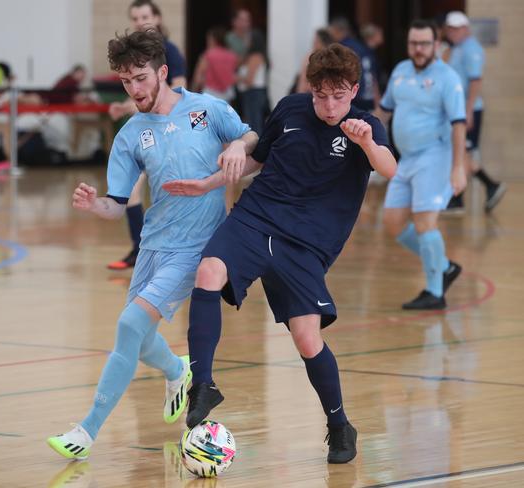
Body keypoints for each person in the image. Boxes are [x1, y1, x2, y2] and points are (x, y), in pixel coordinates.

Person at [163, 43, 397, 464]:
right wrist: (209, 183)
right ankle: (203, 384)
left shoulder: (366, 125)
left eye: (339, 96)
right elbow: (256, 159)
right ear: (310, 89)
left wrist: (366, 144)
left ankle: (339, 425)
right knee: (209, 271)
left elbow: (389, 168)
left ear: (354, 90)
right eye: (321, 95)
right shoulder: (290, 109)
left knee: (308, 339)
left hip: (306, 245)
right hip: (256, 217)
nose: (329, 105)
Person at [46, 28, 258, 460]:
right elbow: (117, 204)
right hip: (152, 246)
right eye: (125, 81)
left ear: (162, 71)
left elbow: (252, 138)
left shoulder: (205, 109)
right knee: (140, 341)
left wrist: (237, 143)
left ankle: (86, 431)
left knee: (128, 327)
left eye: (140, 78)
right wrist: (95, 205)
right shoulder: (130, 134)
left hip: (196, 247)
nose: (134, 89)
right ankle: (177, 370)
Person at [376, 19, 466, 310]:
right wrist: (367, 139)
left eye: (425, 43)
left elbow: (458, 125)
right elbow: (385, 111)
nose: (418, 49)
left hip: (435, 156)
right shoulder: (401, 71)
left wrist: (458, 167)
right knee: (392, 222)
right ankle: (443, 266)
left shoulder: (448, 77)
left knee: (425, 222)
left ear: (436, 45)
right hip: (407, 159)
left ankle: (435, 292)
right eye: (414, 43)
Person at [107, 0, 188, 271]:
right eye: (136, 17)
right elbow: (143, 97)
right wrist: (125, 107)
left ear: (157, 17)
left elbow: (176, 92)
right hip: (147, 132)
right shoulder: (136, 58)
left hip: (172, 133)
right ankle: (140, 251)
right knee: (131, 190)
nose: (141, 21)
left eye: (145, 16)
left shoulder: (170, 52)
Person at [444, 11, 506, 213]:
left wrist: (468, 110)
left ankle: (486, 187)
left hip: (467, 110)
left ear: (465, 28)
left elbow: (475, 80)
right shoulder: (458, 48)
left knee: (463, 152)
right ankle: (460, 197)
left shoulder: (471, 49)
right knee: (460, 152)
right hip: (458, 109)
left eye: (455, 28)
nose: (451, 32)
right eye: (450, 28)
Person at [329, 17, 378, 111]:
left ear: (336, 29)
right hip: (368, 97)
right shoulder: (361, 46)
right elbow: (373, 75)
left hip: (354, 97)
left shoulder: (341, 48)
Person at [191, 27, 238, 103]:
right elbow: (233, 76)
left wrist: (193, 91)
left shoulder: (208, 54)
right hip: (226, 94)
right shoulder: (232, 55)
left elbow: (198, 76)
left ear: (213, 39)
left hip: (210, 93)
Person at [236, 34, 269, 134]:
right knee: (254, 121)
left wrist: (236, 78)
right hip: (255, 93)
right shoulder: (254, 56)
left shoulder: (255, 57)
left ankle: (257, 147)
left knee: (254, 123)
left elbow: (249, 79)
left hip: (254, 93)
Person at [294, 28, 333, 94]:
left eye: (316, 40)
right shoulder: (309, 57)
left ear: (323, 42)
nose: (313, 43)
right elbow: (302, 80)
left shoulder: (328, 59)